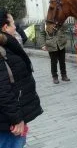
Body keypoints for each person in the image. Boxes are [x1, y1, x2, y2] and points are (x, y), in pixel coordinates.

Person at [0, 8, 43, 147]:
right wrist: (17, 118)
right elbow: (3, 89)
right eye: (13, 24)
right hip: (8, 124)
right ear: (5, 27)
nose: (15, 27)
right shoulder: (3, 51)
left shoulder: (7, 45)